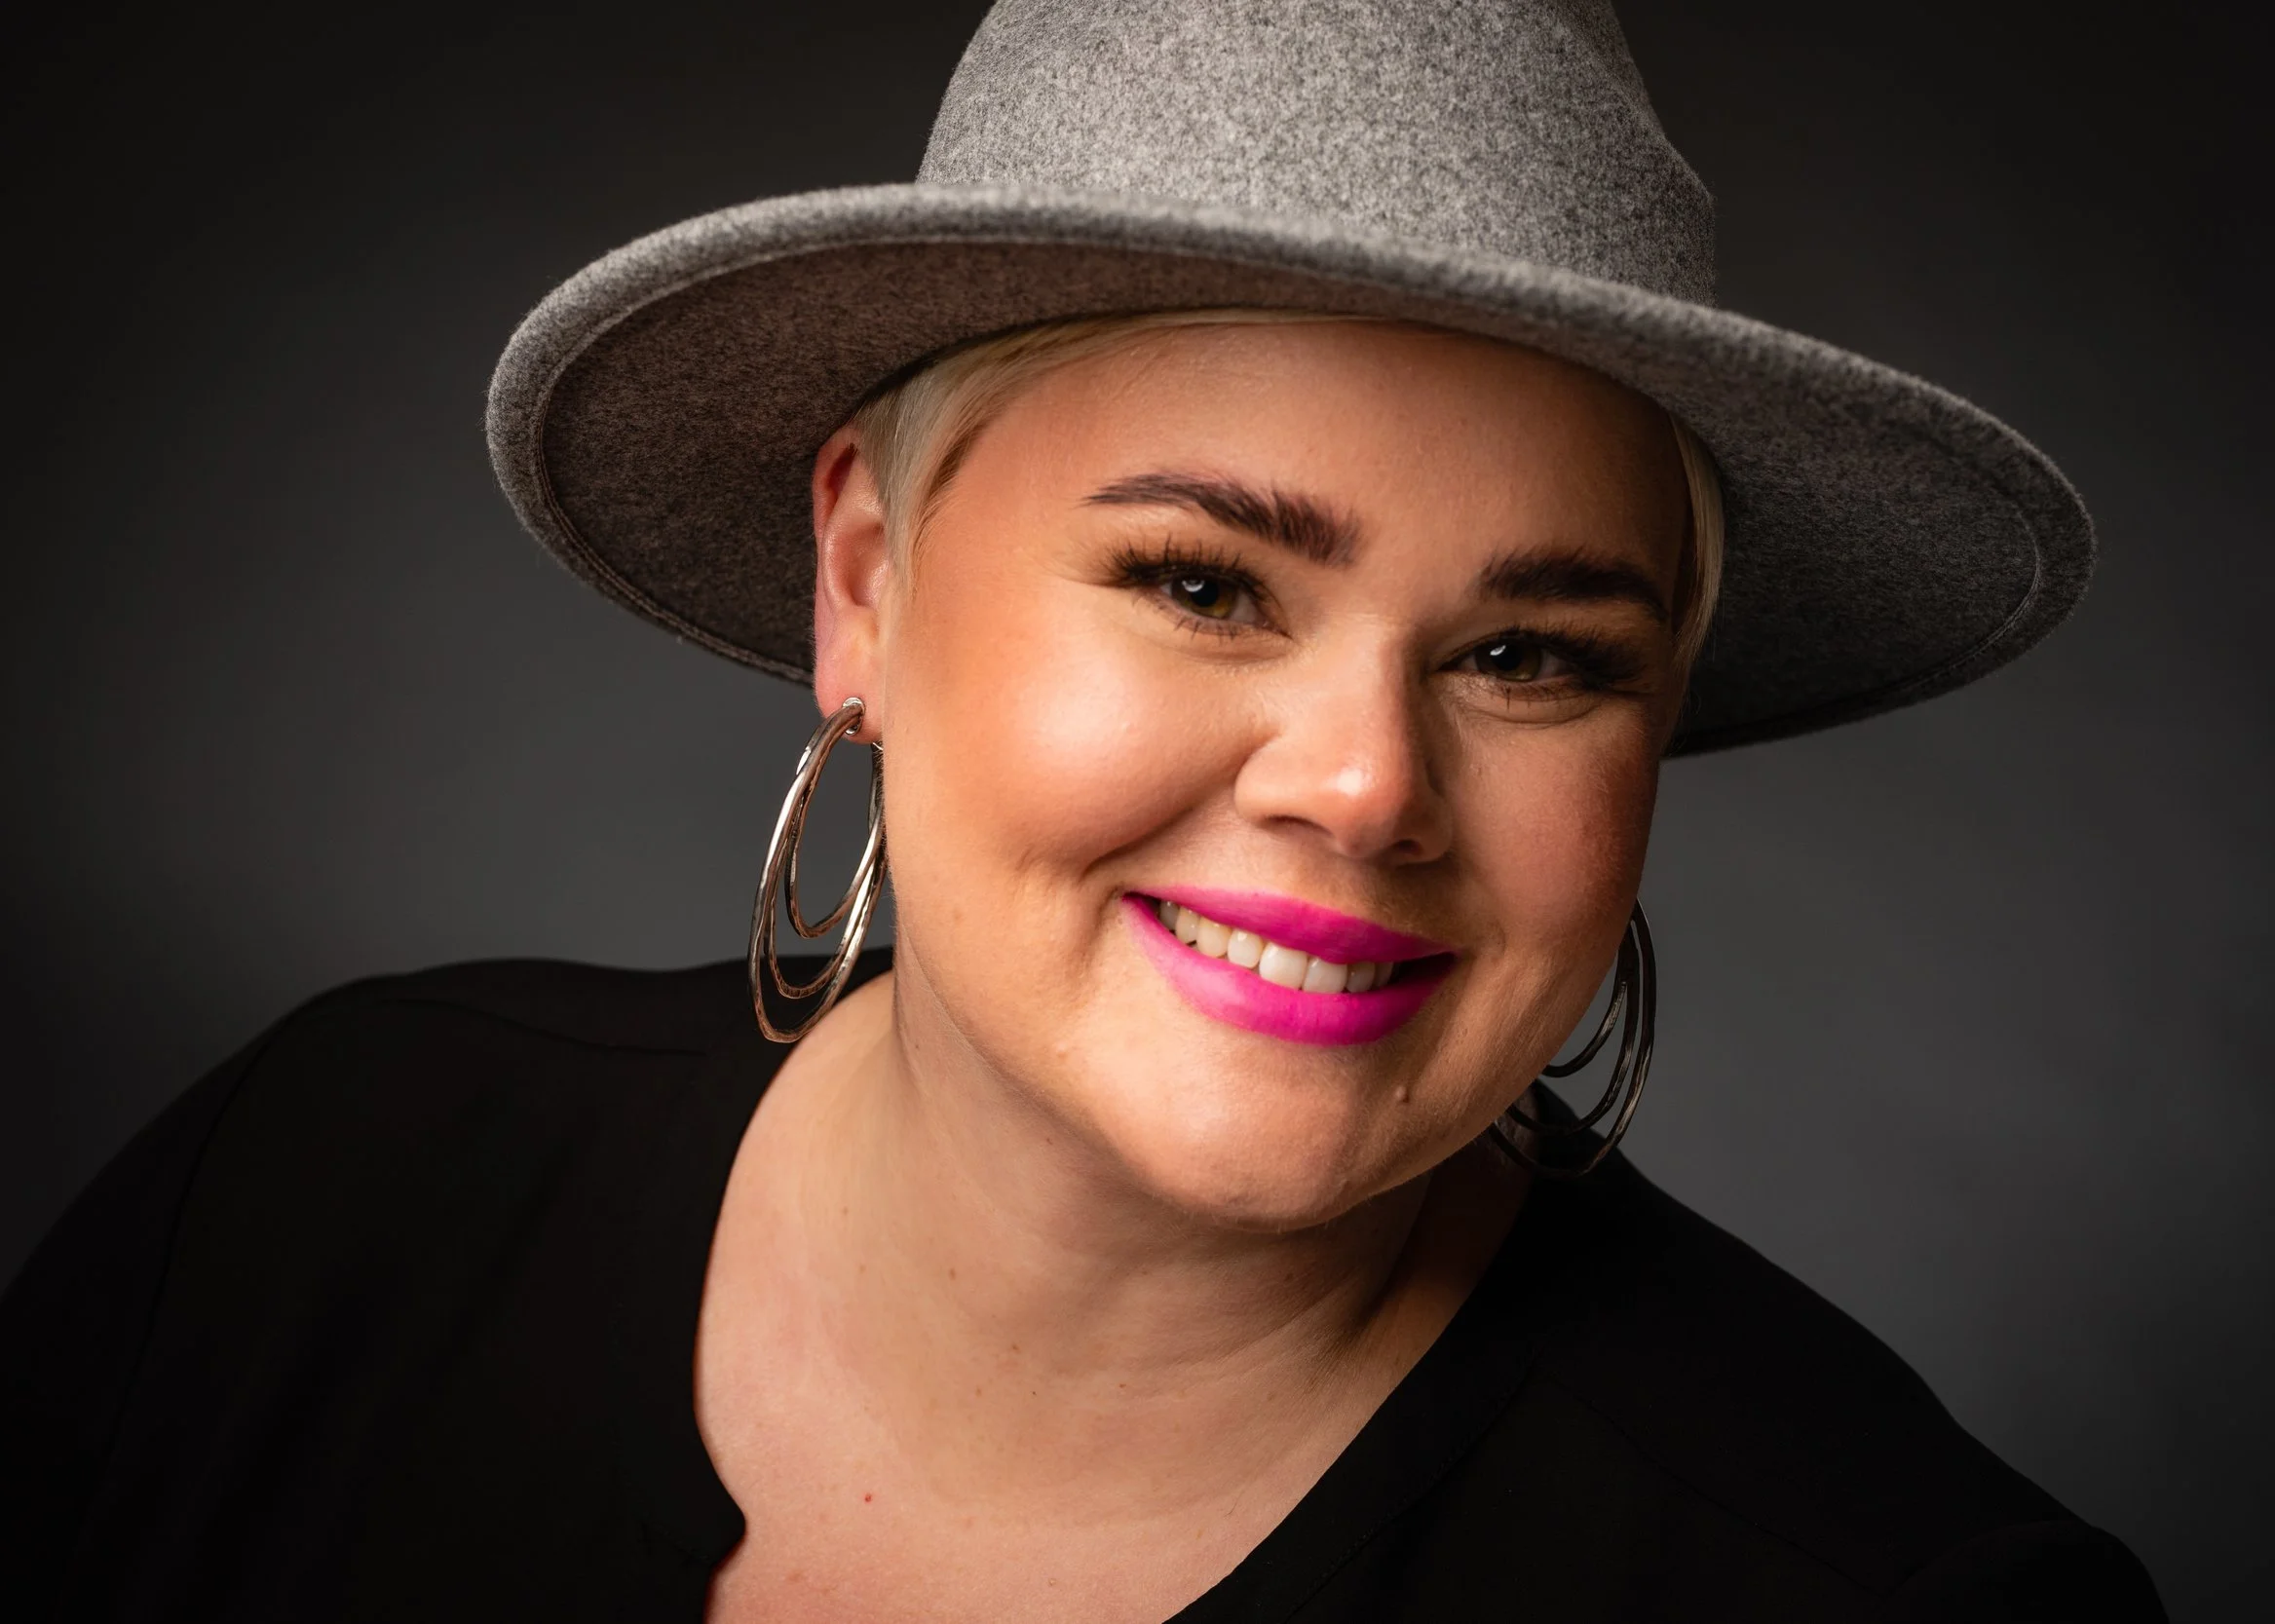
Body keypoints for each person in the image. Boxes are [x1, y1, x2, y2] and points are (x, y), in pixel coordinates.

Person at [0, 2, 2166, 1619]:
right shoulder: (317, 1187)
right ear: (864, 575)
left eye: (1530, 653)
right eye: (1203, 583)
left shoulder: (1883, 1586)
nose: (1362, 784)